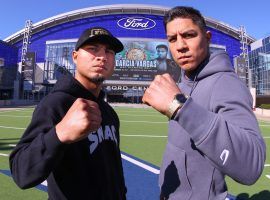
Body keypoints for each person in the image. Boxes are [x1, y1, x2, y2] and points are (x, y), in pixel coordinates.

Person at [142, 6, 266, 200]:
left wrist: (179, 107)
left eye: (189, 35)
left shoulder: (225, 83)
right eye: (172, 39)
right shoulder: (183, 84)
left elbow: (252, 166)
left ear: (207, 38)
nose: (180, 45)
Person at [9, 27, 127, 200]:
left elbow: (115, 169)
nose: (102, 56)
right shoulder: (56, 103)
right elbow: (21, 173)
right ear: (75, 57)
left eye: (109, 51)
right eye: (93, 49)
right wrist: (60, 133)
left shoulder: (109, 112)